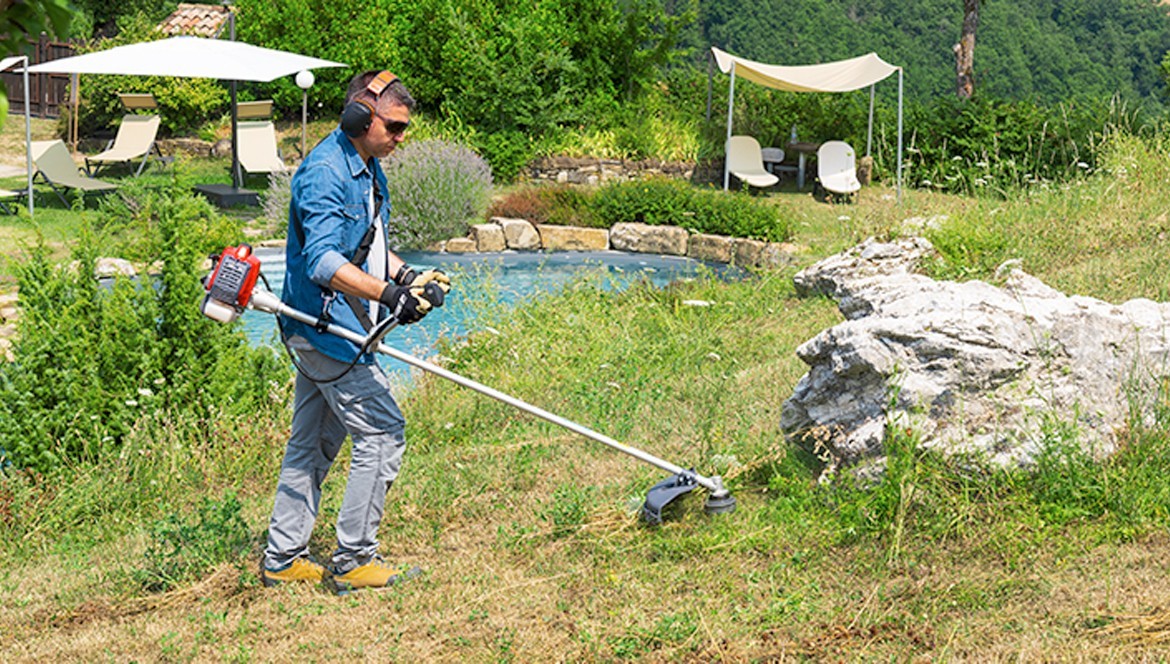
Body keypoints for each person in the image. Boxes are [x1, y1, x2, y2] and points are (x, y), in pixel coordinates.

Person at [259, 70, 449, 594]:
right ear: (360, 118)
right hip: (324, 331)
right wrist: (388, 297)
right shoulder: (325, 173)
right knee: (383, 431)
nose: (401, 137)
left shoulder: (366, 167)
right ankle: (354, 559)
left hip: (333, 330)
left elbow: (364, 245)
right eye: (394, 126)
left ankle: (282, 557)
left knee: (314, 442)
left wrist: (407, 277)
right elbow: (322, 261)